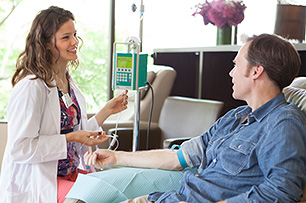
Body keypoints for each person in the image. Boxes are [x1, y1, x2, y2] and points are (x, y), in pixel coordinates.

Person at [84, 34, 306, 203]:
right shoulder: (236, 117)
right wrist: (116, 157)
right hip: (171, 197)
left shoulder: (283, 123)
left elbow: (283, 190)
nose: (231, 73)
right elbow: (177, 158)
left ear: (256, 71)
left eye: (236, 65)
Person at [0, 6, 128, 203]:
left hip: (70, 173)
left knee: (117, 190)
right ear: (47, 43)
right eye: (66, 37)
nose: (75, 42)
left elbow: (77, 132)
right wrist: (70, 138)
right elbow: (20, 148)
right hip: (42, 180)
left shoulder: (68, 83)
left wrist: (106, 112)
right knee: (95, 196)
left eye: (75, 35)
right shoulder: (31, 87)